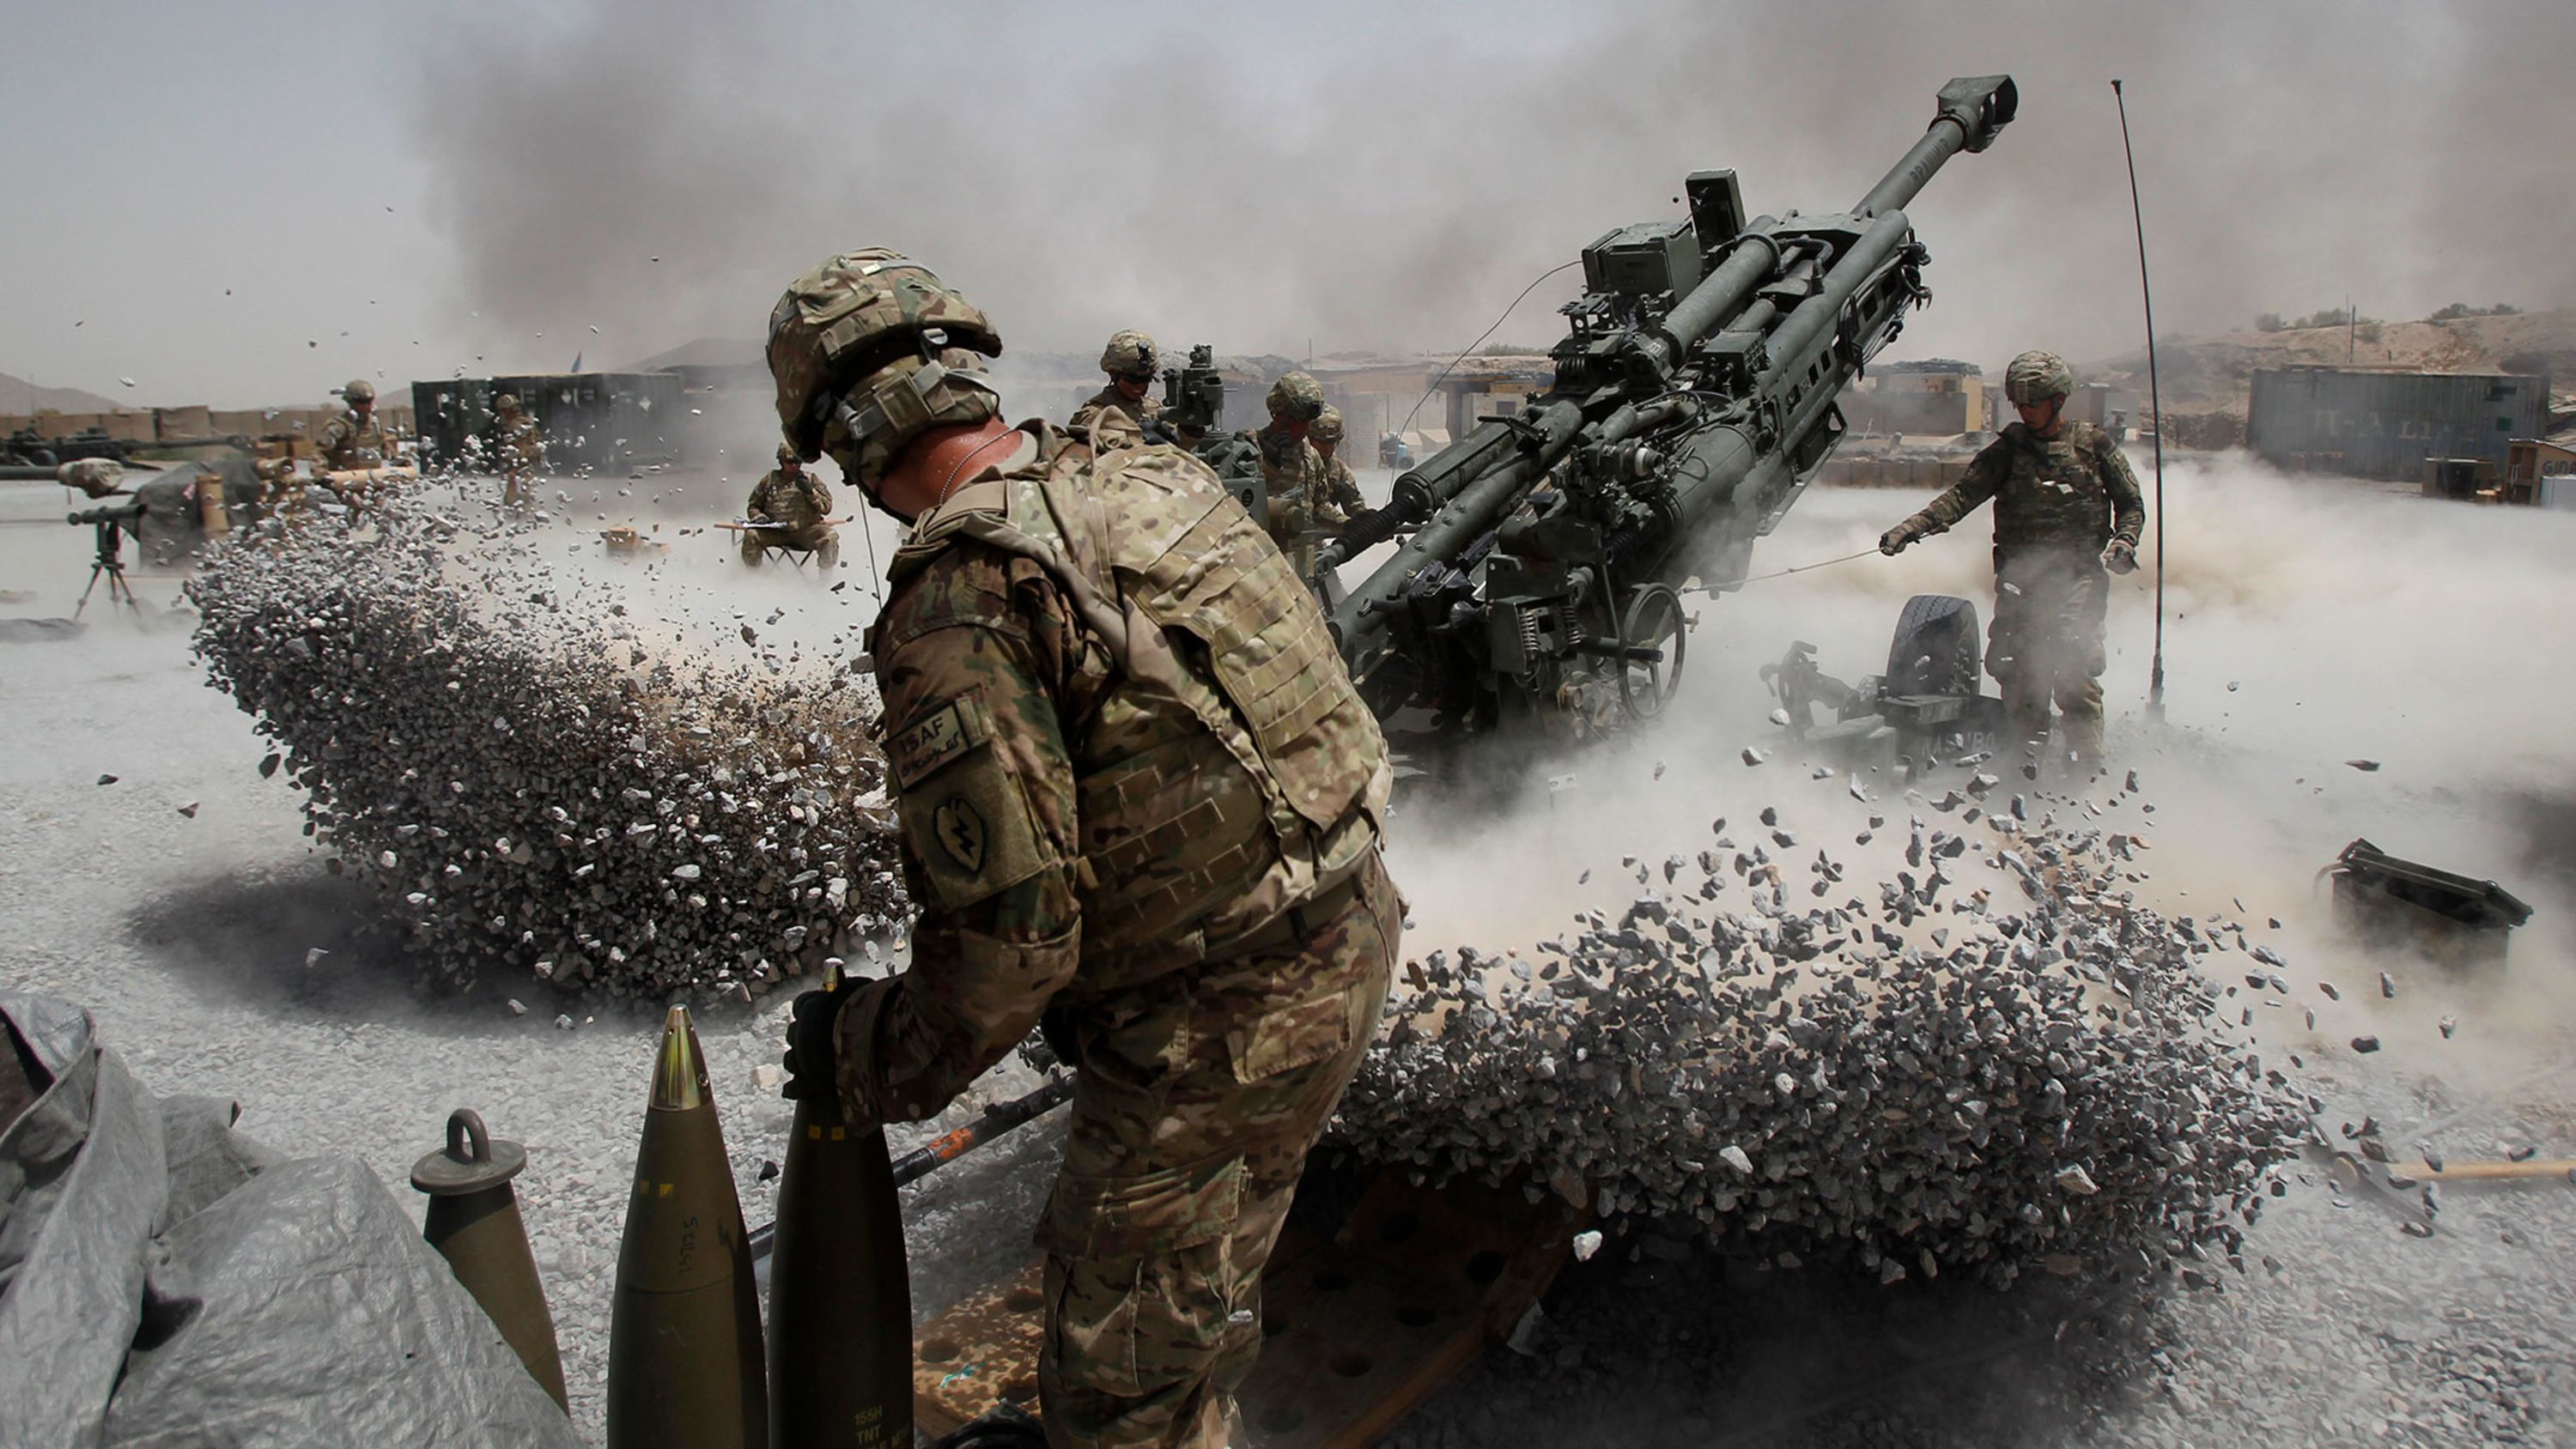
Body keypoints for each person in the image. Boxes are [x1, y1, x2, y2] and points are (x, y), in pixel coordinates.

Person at [767, 249, 1396, 1448]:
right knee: (1205, 1275)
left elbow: (1012, 952)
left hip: (1223, 1027)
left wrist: (871, 1054)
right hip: (1348, 929)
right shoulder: (1151, 472)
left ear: (847, 437)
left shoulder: (961, 595)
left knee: (1118, 1398)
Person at [1878, 349, 2144, 768]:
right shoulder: (2008, 451)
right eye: (2019, 403)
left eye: (2032, 402)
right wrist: (1911, 529)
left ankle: (2087, 771)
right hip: (2022, 582)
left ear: (2057, 400)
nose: (2025, 410)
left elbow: (2131, 504)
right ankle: (2023, 768)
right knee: (2019, 674)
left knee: (2073, 667)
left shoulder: (2093, 446)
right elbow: (1962, 497)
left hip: (2078, 579)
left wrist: (2125, 542)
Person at [1240, 371, 1334, 588]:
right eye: (1297, 420)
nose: (1303, 429)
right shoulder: (1248, 447)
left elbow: (1320, 508)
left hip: (1302, 564)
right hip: (1262, 566)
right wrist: (1269, 462)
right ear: (1278, 414)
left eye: (1308, 422)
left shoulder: (1310, 455)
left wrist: (1350, 523)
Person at [740, 442, 838, 567]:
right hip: (776, 532)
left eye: (797, 462)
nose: (794, 466)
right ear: (781, 461)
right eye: (789, 462)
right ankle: (751, 577)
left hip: (805, 532)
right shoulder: (769, 480)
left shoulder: (811, 480)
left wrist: (811, 492)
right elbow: (754, 506)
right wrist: (759, 517)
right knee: (752, 535)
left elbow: (827, 507)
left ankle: (825, 581)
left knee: (829, 536)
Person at [1067, 329, 1163, 447]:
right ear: (1113, 374)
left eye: (1145, 379)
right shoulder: (1096, 414)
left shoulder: (1153, 409)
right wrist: (1138, 438)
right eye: (1131, 380)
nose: (1138, 386)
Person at [313, 378, 390, 473]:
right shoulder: (340, 425)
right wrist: (321, 474)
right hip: (344, 480)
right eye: (361, 402)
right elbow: (319, 452)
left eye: (369, 401)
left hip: (372, 479)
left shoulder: (375, 425)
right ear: (351, 402)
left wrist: (402, 463)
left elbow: (387, 450)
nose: (367, 405)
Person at [1309, 405, 1366, 527]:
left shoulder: (1338, 469)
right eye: (1321, 442)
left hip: (1315, 539)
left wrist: (1368, 522)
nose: (1327, 449)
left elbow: (1357, 508)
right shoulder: (1296, 462)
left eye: (1331, 442)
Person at [494, 393, 542, 507]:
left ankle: (518, 505)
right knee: (523, 481)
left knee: (514, 479)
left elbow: (525, 443)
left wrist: (518, 460)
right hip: (524, 459)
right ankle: (525, 504)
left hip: (522, 459)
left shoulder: (517, 423)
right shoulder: (521, 421)